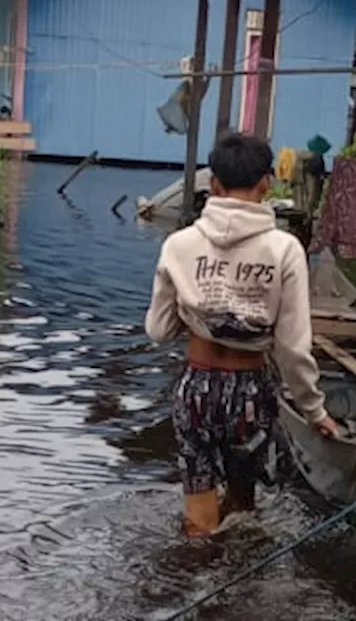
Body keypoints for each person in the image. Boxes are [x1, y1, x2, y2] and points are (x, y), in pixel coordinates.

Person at [145, 132, 340, 537]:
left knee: (198, 511)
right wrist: (314, 411)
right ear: (267, 183)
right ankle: (234, 586)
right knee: (243, 508)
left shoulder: (179, 245)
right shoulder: (284, 249)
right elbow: (292, 348)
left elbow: (159, 331)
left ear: (213, 184)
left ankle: (196, 581)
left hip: (195, 388)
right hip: (249, 392)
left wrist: (195, 312)